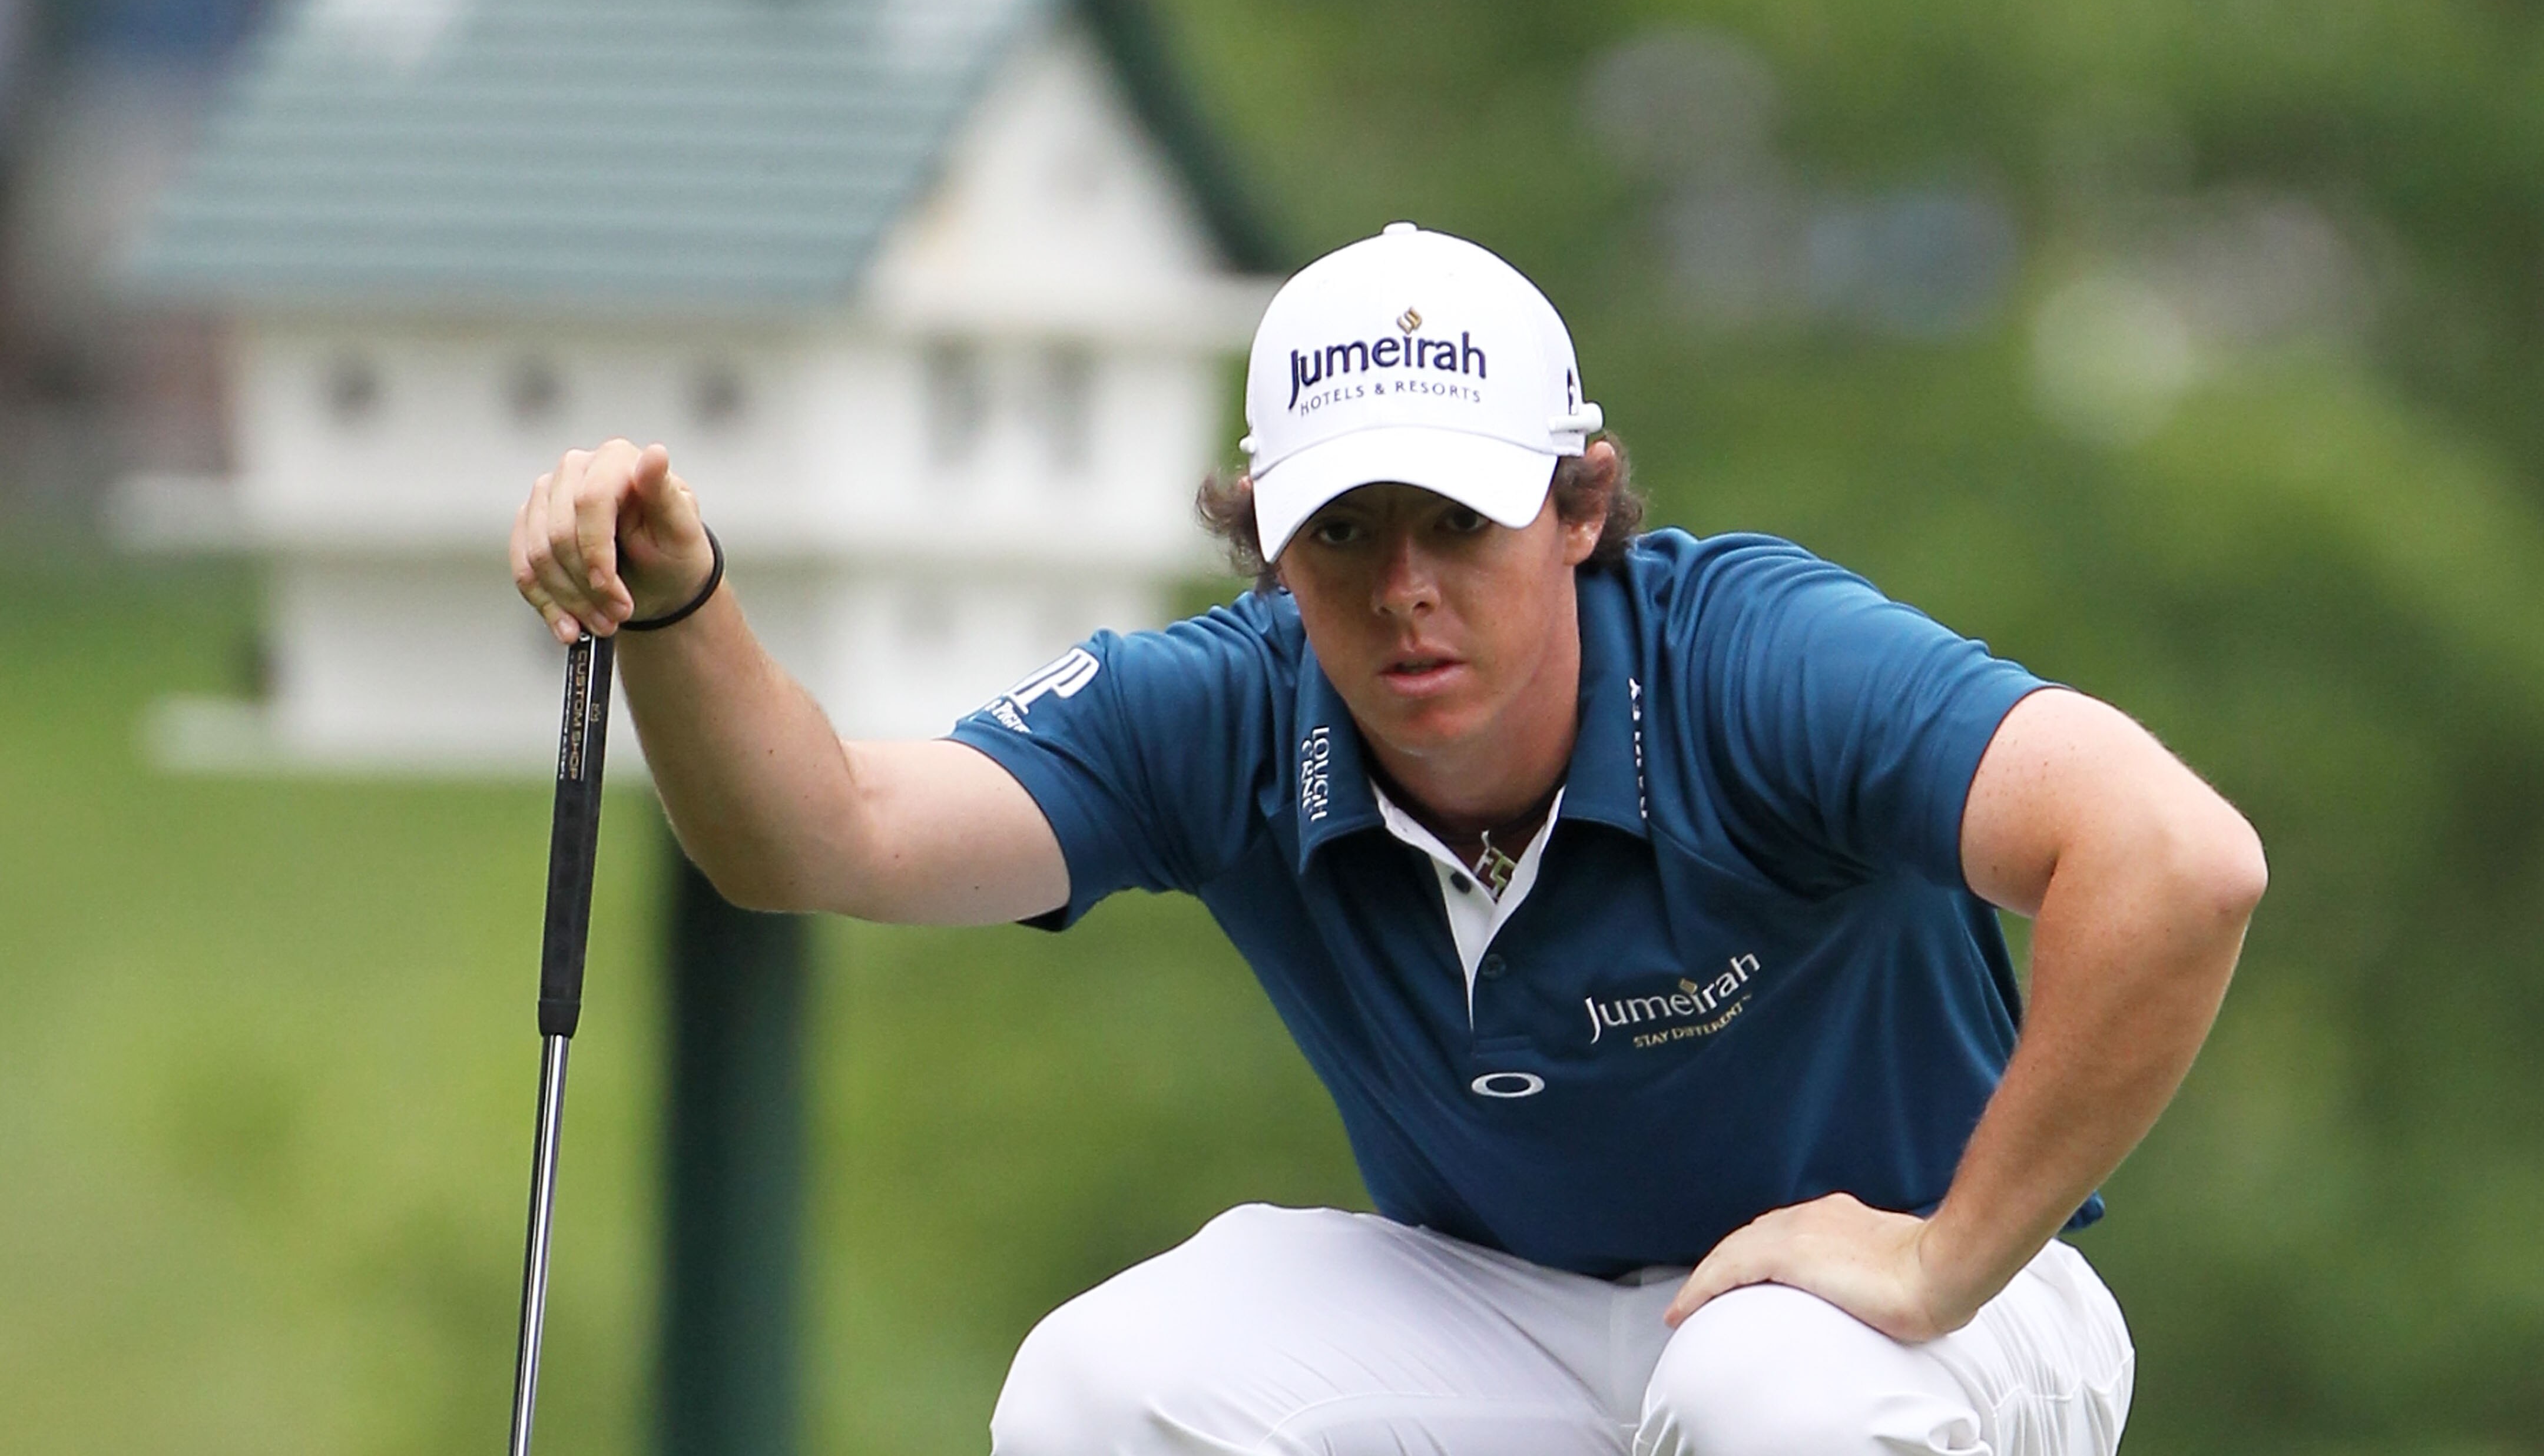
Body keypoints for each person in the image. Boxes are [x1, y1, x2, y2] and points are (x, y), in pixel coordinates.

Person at [512, 223, 2266, 1455]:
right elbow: (829, 835)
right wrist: (680, 606)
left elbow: (2175, 861)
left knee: (1765, 1400)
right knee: (1097, 1397)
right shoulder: (1227, 712)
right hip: (1517, 1315)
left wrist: (1944, 1251)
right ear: (1269, 542)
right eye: (1345, 530)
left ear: (1579, 508)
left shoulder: (1757, 658)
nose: (1404, 591)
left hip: (1922, 1333)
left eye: (1460, 520)